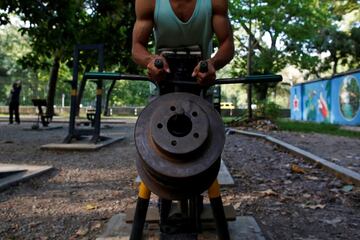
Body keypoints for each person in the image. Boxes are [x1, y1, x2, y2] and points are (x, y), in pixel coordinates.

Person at [132, 0, 234, 86]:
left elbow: (227, 43)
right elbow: (137, 46)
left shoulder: (215, 1)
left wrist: (212, 63)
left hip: (202, 89)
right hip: (161, 89)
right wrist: (151, 61)